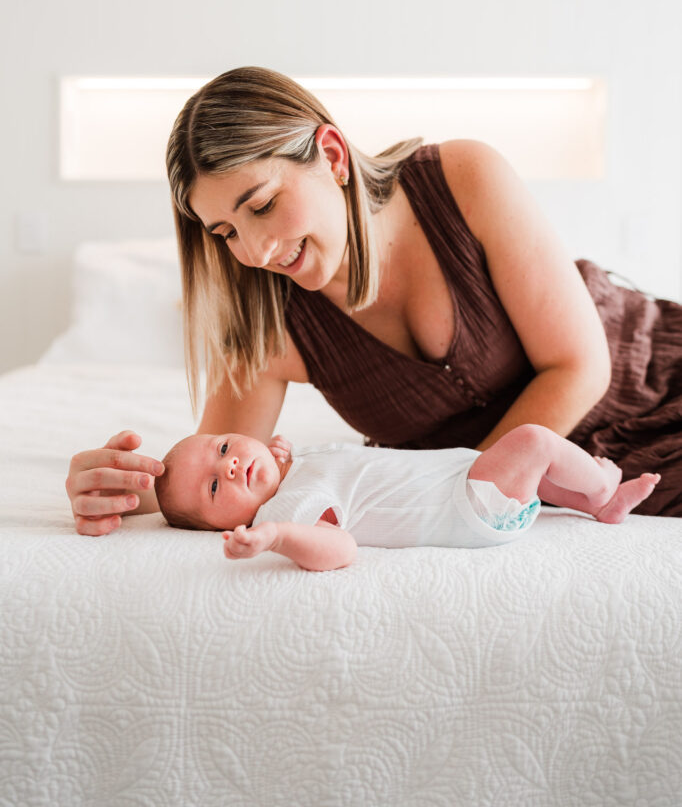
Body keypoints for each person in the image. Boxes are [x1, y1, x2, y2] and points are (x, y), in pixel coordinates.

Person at [65, 65, 682, 535]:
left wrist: (471, 486)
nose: (254, 251)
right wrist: (112, 488)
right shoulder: (266, 325)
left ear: (331, 155)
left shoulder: (463, 178)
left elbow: (579, 366)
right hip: (555, 477)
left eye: (261, 205)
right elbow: (210, 476)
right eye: (226, 233)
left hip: (651, 378)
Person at [153, 425, 661, 571]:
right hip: (468, 507)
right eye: (216, 486)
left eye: (223, 448)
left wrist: (281, 454)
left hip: (462, 475)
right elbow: (340, 548)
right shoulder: (287, 509)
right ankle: (601, 485)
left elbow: (317, 462)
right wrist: (276, 538)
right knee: (534, 444)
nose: (231, 464)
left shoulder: (292, 470)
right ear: (220, 525)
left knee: (542, 477)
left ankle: (597, 508)